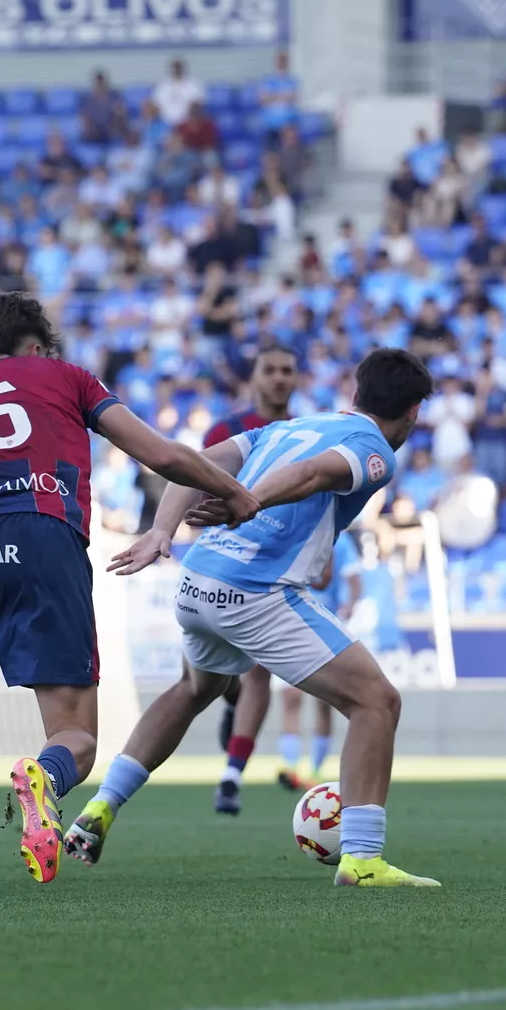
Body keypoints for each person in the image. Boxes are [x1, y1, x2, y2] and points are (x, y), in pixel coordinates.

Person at [0, 293, 257, 894]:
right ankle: (42, 778)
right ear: (38, 346)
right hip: (42, 535)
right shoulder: (66, 378)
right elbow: (164, 455)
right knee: (76, 736)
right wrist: (238, 494)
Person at [62, 348, 441, 889]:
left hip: (198, 583)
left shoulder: (289, 426)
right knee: (377, 700)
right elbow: (313, 474)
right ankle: (362, 859)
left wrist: (161, 530)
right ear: (414, 412)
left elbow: (193, 461)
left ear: (356, 394)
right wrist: (249, 501)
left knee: (194, 689)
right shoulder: (374, 447)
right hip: (255, 592)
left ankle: (100, 807)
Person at [199, 342, 303, 813]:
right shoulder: (227, 432)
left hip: (271, 567)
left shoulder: (306, 432)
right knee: (204, 679)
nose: (279, 377)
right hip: (220, 561)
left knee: (261, 668)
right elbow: (196, 490)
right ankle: (231, 695)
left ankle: (231, 777)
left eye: (287, 370)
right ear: (255, 376)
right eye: (271, 369)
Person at [275, 527, 360, 792]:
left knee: (324, 702)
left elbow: (354, 580)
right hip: (291, 621)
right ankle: (291, 767)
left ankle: (314, 770)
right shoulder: (292, 530)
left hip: (325, 622)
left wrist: (349, 605)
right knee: (291, 696)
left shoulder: (341, 539)